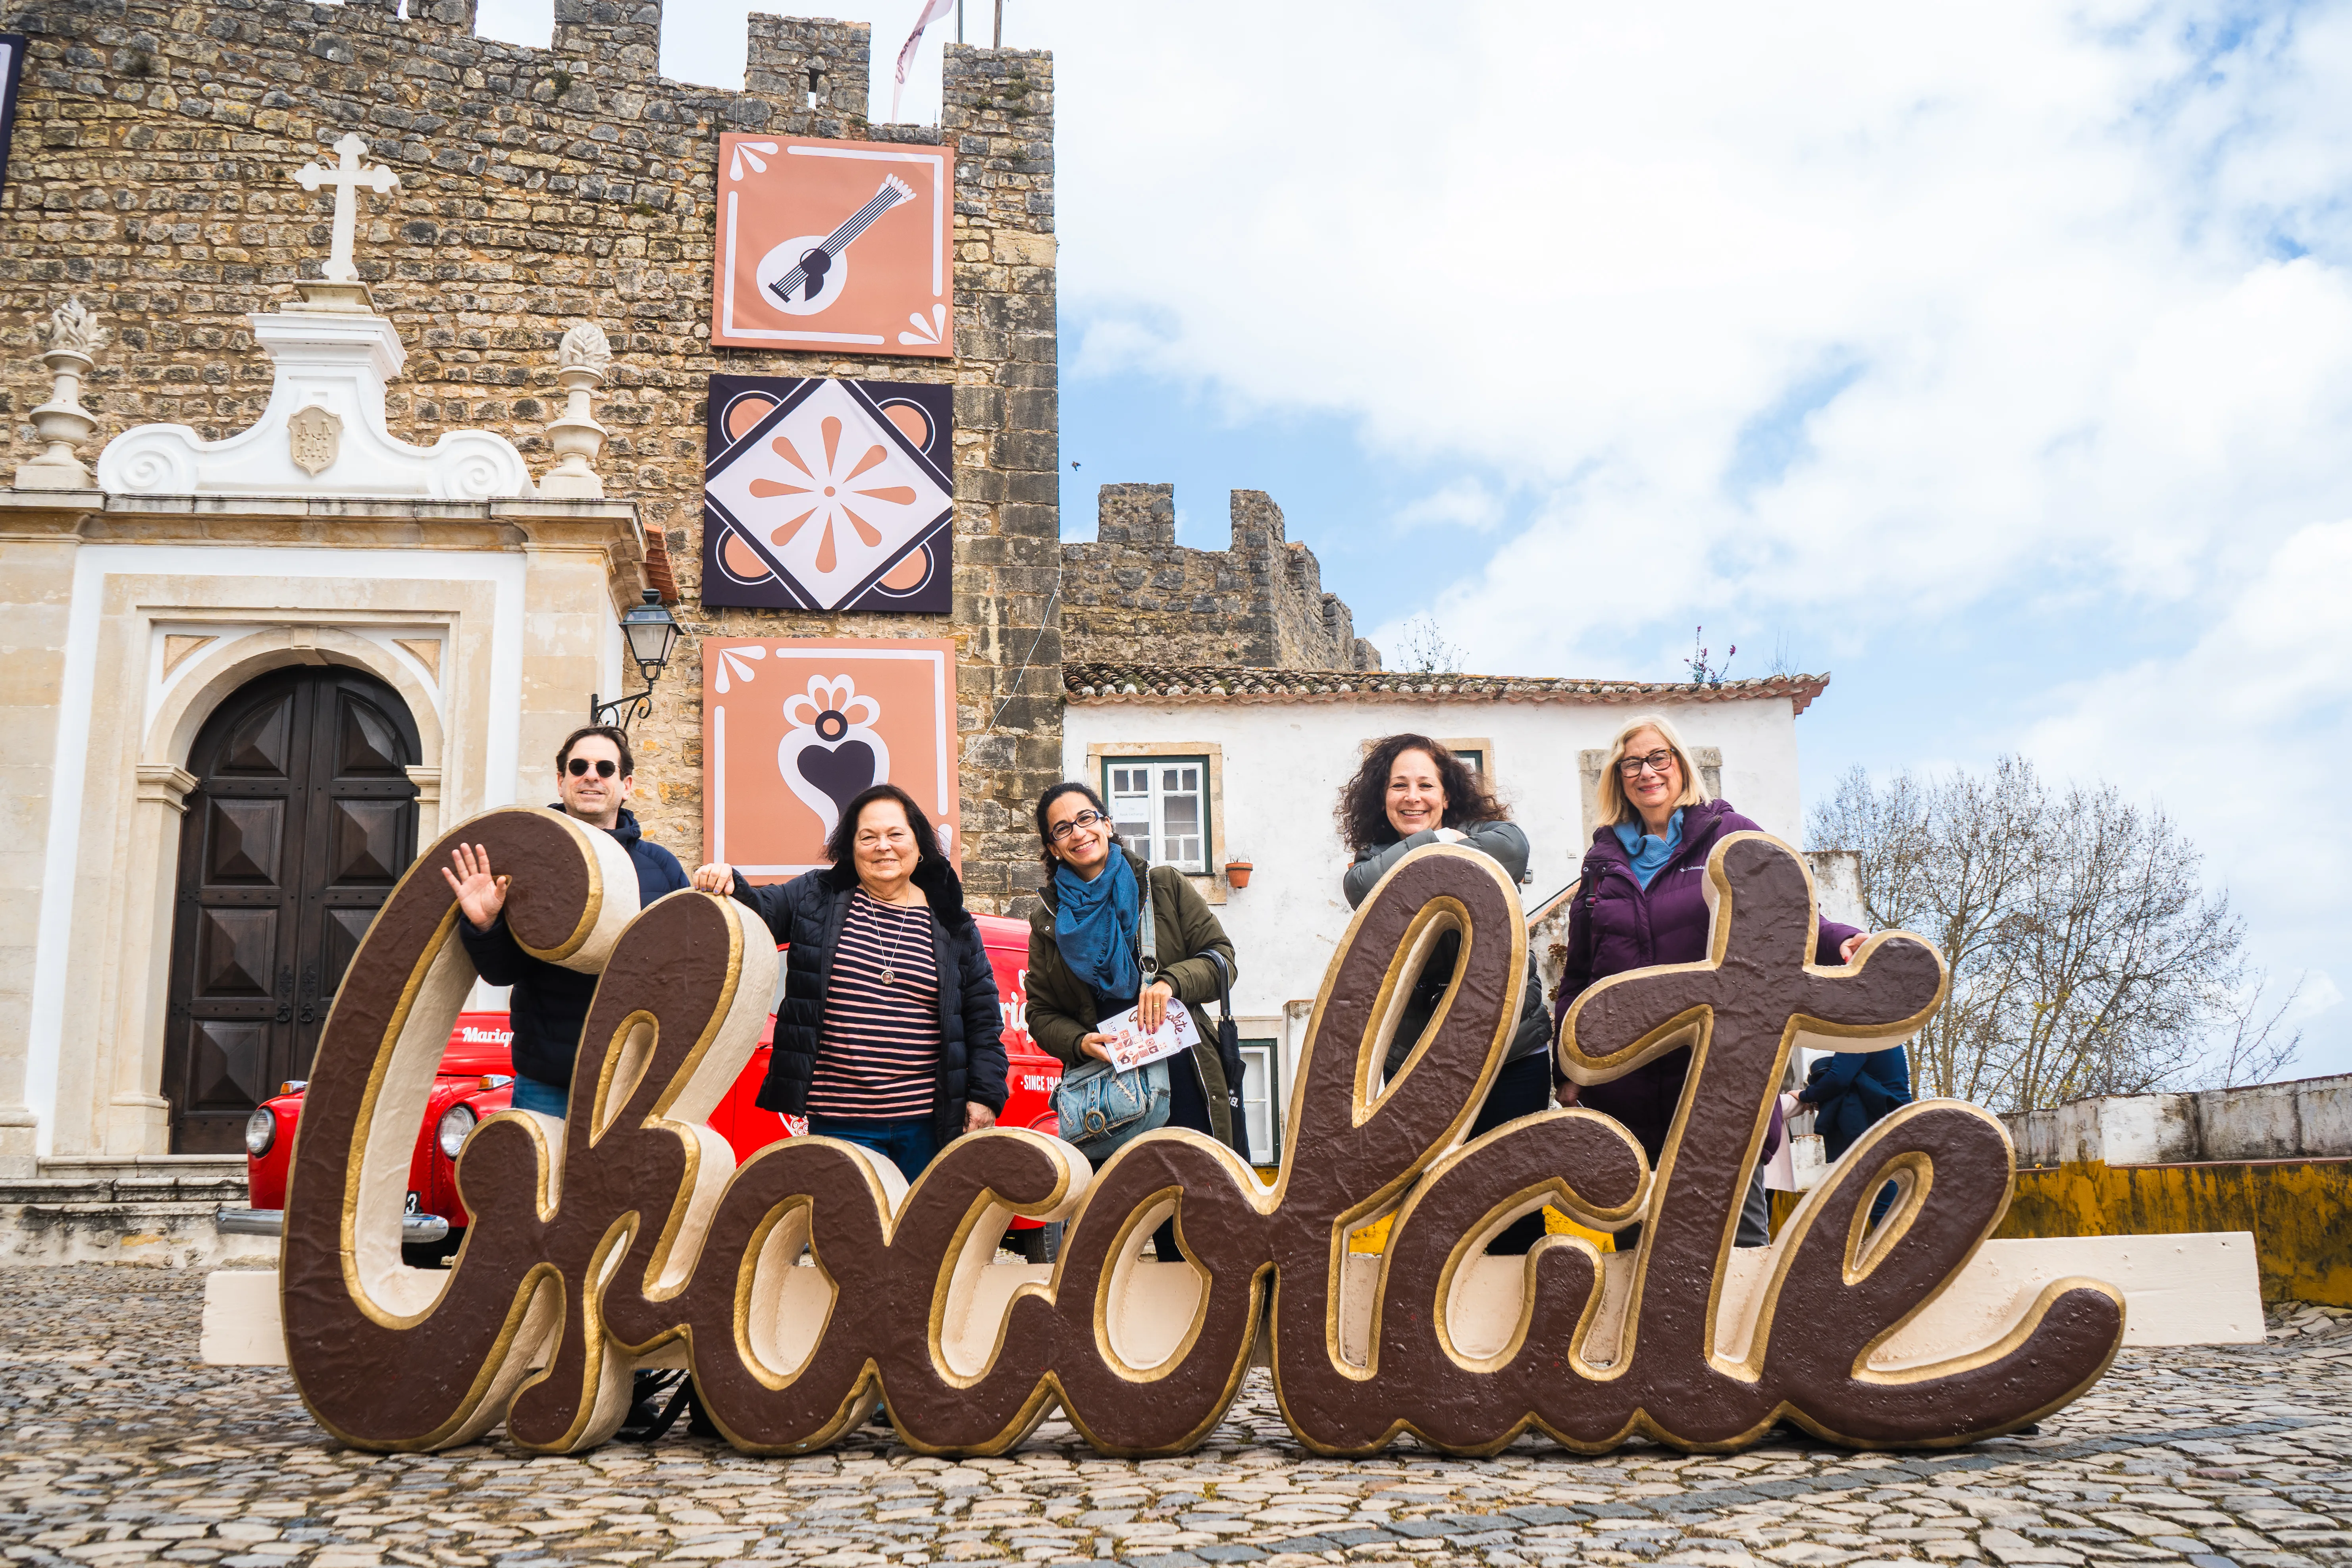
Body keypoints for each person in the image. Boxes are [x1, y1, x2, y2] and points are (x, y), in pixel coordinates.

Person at [1556, 713, 1865, 1248]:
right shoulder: (1600, 864)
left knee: (1735, 1253)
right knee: (1641, 1261)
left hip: (1722, 1079)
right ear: (1616, 777)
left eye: (1659, 758)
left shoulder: (1729, 834)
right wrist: (1568, 1065)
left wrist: (1837, 939)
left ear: (1680, 765)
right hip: (1624, 1084)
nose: (1646, 772)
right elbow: (1580, 973)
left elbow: (1786, 910)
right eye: (1632, 763)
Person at [690, 783, 1006, 1183]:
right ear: (851, 848)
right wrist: (727, 879)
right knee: (847, 1237)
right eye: (868, 836)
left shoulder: (950, 920)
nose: (883, 846)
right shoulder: (816, 896)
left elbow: (984, 1018)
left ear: (919, 844)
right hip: (841, 1120)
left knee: (920, 1240)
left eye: (895, 834)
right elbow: (760, 909)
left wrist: (985, 1095)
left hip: (927, 1123)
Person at [1337, 735, 1555, 1254]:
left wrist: (1421, 849)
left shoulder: (1487, 834)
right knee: (1432, 1208)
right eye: (1399, 786)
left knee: (1514, 1201)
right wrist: (1437, 841)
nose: (1412, 797)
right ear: (1380, 797)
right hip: (1419, 1063)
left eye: (1425, 785)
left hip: (1511, 1052)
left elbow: (1513, 848)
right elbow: (1363, 884)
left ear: (1448, 792)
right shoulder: (1371, 859)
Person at [1025, 781, 1240, 1263]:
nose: (1078, 833)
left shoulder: (1163, 885)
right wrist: (1081, 1042)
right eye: (1062, 828)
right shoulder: (1048, 919)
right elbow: (1039, 1012)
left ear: (1107, 822)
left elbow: (1223, 960)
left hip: (1185, 1075)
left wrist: (1170, 983)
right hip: (1108, 1089)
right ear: (1053, 848)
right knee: (1111, 1236)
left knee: (1198, 1223)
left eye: (1086, 818)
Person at [441, 723, 689, 1120]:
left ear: (626, 785)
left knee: (616, 1184)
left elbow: (683, 969)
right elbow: (502, 972)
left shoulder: (660, 867)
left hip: (631, 1076)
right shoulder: (525, 863)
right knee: (542, 1182)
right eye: (579, 766)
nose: (591, 775)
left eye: (605, 768)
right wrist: (486, 924)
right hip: (549, 1077)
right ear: (561, 782)